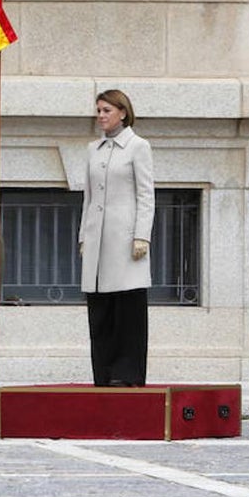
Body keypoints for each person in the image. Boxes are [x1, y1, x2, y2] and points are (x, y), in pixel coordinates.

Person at [78, 89, 155, 387]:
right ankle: (104, 372)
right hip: (98, 239)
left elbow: (146, 194)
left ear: (122, 112)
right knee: (101, 310)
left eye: (106, 110)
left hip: (125, 240)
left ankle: (127, 372)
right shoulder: (92, 149)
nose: (101, 116)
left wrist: (142, 236)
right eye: (98, 110)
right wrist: (84, 234)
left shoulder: (138, 146)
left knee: (128, 309)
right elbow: (88, 196)